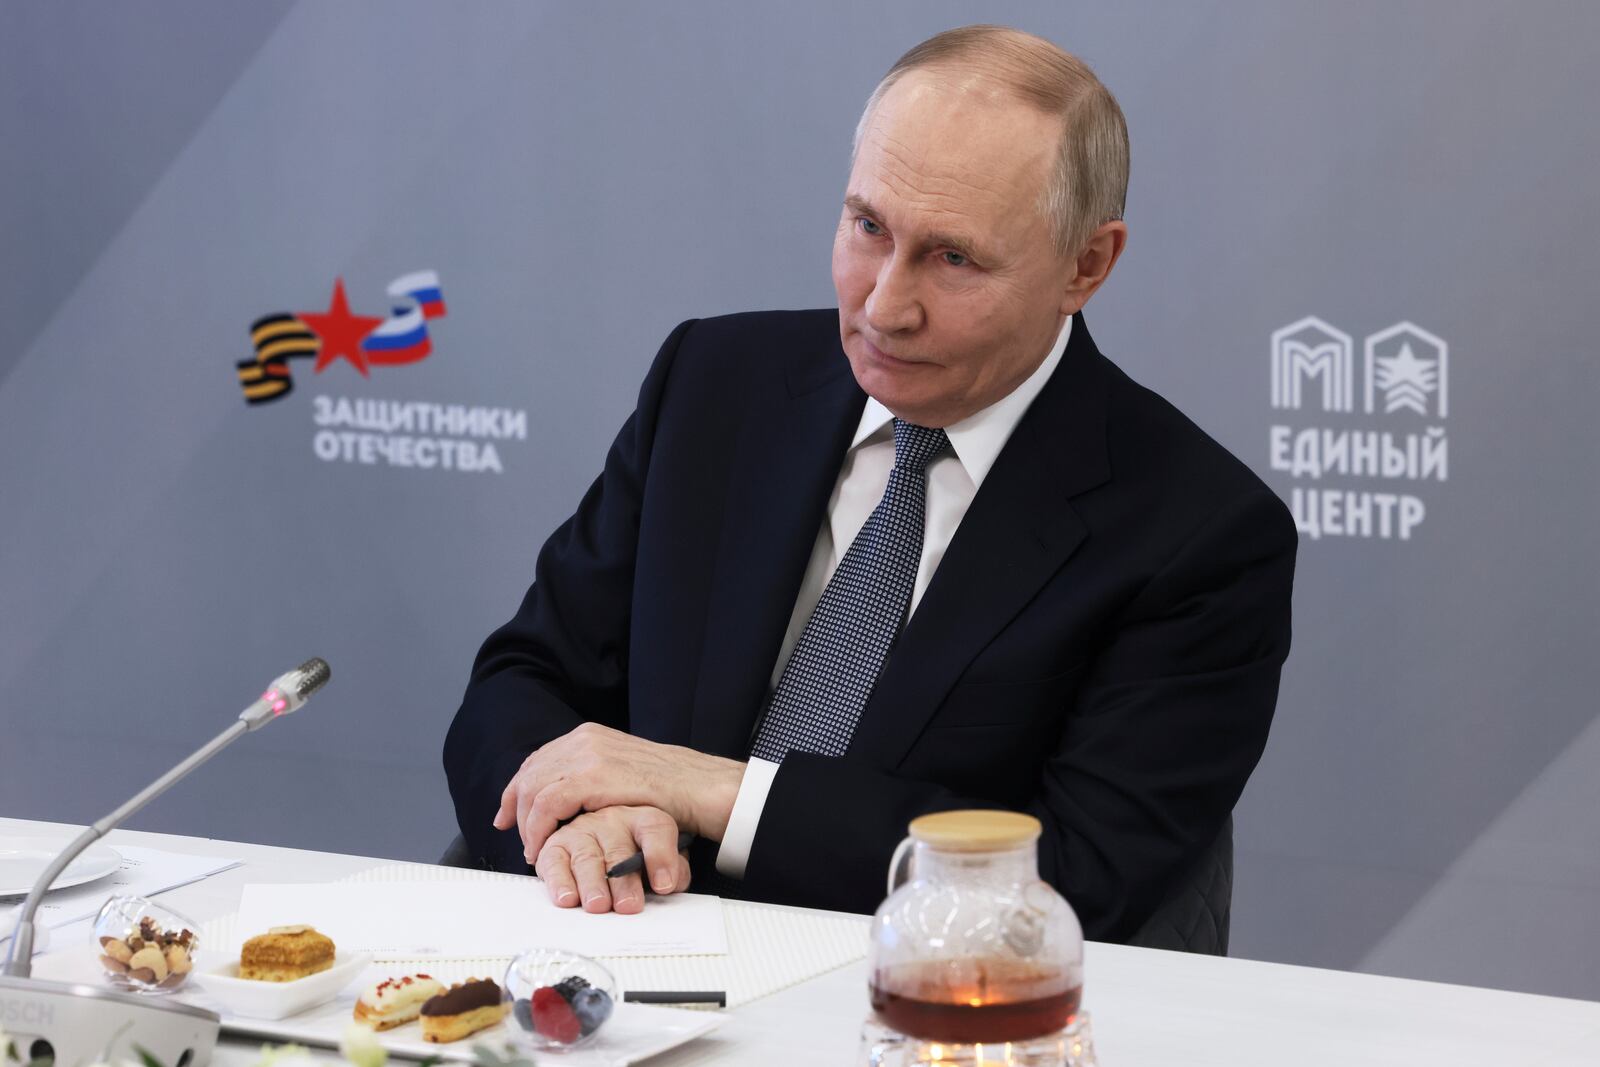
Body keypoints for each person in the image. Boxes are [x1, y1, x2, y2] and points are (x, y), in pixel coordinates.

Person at [444, 25, 1296, 947]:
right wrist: (584, 822)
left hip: (924, 1014)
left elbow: (1076, 877)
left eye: (953, 258)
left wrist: (713, 792)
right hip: (631, 965)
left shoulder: (1198, 531)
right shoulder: (713, 383)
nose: (885, 305)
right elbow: (525, 677)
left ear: (1086, 265)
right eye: (869, 228)